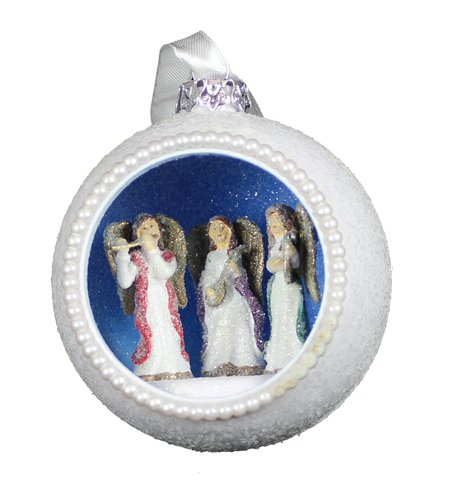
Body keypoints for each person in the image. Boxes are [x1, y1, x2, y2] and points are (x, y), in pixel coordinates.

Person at [114, 214, 192, 381]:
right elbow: (125, 282)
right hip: (148, 306)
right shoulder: (137, 258)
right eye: (144, 229)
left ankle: (175, 367)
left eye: (152, 226)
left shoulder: (167, 256)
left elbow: (164, 272)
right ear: (137, 235)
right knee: (152, 334)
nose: (149, 231)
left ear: (159, 231)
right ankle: (151, 368)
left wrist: (152, 250)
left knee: (169, 332)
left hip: (164, 304)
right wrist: (122, 255)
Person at [197, 216, 264, 377]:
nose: (218, 231)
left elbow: (241, 278)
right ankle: (219, 362)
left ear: (230, 231)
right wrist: (208, 288)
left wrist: (236, 271)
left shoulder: (235, 253)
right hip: (219, 300)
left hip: (235, 298)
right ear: (210, 234)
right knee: (220, 328)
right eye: (214, 228)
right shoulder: (211, 256)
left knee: (240, 325)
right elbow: (208, 274)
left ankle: (243, 360)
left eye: (222, 227)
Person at [264, 204, 306, 372]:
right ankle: (276, 359)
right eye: (270, 221)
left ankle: (292, 357)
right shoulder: (274, 245)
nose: (273, 224)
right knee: (278, 321)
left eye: (276, 220)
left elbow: (294, 262)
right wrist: (277, 263)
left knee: (289, 318)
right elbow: (270, 266)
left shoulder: (289, 242)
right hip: (277, 286)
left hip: (289, 285)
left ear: (285, 222)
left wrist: (287, 255)